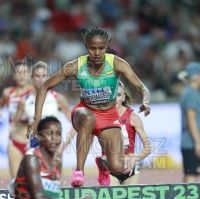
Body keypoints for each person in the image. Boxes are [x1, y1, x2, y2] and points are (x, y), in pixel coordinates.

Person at [26, 26, 151, 187]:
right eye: (93, 48)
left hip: (109, 116)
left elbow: (142, 88)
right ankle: (79, 171)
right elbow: (44, 87)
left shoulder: (117, 64)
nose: (97, 53)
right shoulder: (76, 65)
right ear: (86, 47)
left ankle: (103, 164)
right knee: (88, 118)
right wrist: (37, 119)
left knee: (118, 168)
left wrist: (146, 101)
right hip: (83, 111)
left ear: (107, 47)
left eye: (101, 48)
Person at [95, 81, 151, 186]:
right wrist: (79, 166)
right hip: (108, 167)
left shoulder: (132, 117)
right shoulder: (100, 117)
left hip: (129, 168)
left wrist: (136, 158)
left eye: (119, 95)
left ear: (124, 98)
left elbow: (148, 147)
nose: (115, 99)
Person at [14, 61, 76, 150]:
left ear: (49, 78)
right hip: (34, 147)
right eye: (37, 76)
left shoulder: (58, 98)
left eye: (44, 76)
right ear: (31, 78)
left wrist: (64, 145)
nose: (40, 79)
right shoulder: (24, 101)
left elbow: (75, 125)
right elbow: (14, 126)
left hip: (53, 147)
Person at [0, 60, 33, 178]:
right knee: (16, 181)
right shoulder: (7, 93)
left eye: (24, 72)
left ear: (29, 74)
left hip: (33, 142)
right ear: (14, 76)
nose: (22, 75)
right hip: (14, 141)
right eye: (18, 72)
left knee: (35, 181)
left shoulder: (36, 91)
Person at [178, 61, 200, 183]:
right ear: (197, 76)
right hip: (191, 142)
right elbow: (191, 119)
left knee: (192, 173)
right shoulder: (191, 94)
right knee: (191, 175)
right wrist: (197, 142)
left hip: (192, 142)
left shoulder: (191, 93)